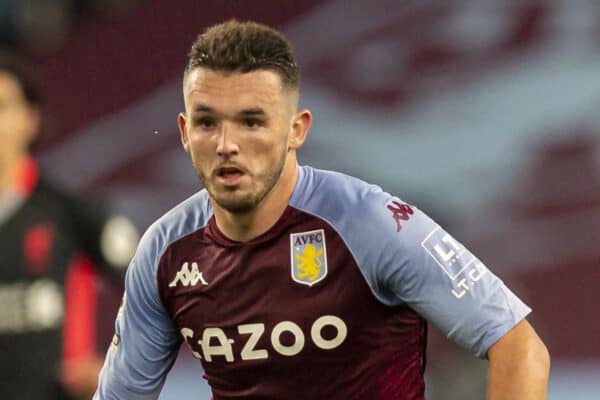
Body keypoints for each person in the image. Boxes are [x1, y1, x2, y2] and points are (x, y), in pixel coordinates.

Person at [94, 20, 550, 400]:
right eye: (207, 122)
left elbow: (518, 347)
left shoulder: (371, 224)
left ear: (297, 130)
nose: (226, 145)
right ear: (183, 131)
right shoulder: (164, 251)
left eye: (251, 121)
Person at [0, 51, 138, 400]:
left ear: (31, 119)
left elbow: (156, 283)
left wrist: (117, 365)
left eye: (1, 106)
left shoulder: (70, 212)